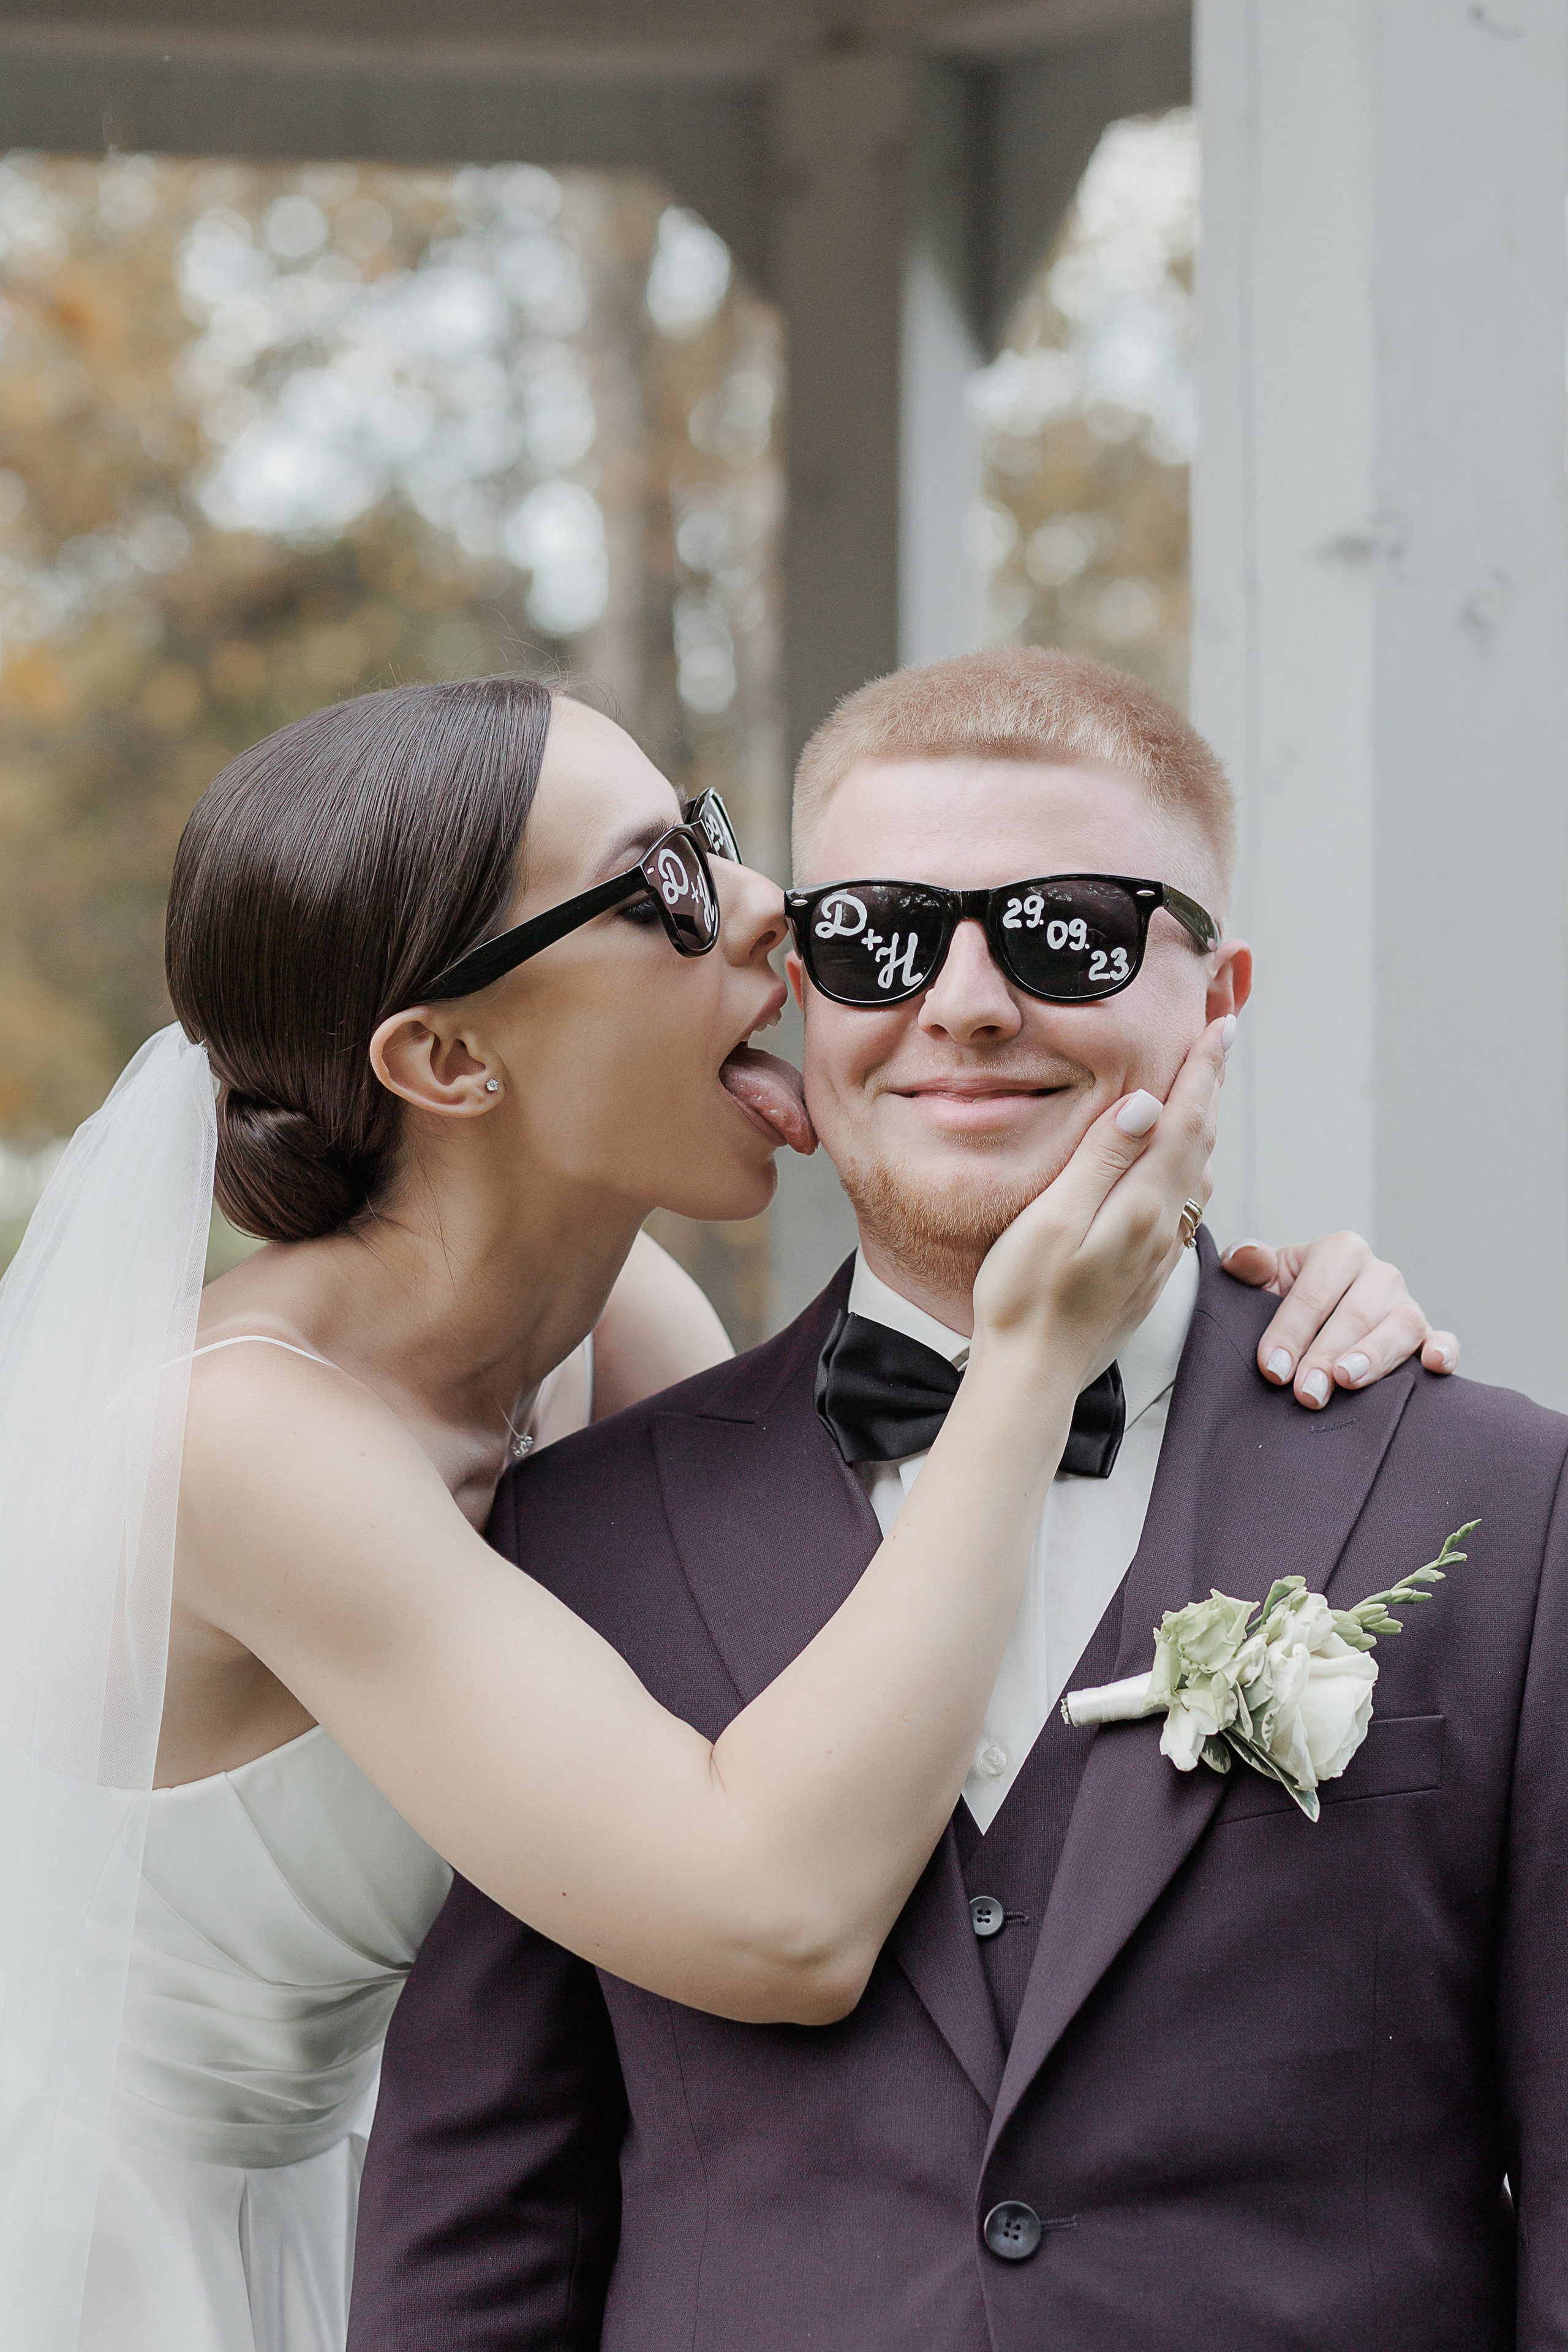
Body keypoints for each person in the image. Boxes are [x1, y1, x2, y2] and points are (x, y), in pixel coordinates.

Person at [0, 673, 1444, 2352]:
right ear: (450, 1057)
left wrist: (1246, 1335)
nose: (772, 909)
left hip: (361, 2193)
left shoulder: (612, 1328)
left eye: (716, 836)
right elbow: (778, 1917)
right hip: (122, 2248)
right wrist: (1036, 1362)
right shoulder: (243, 1439)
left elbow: (866, 1644)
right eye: (666, 887)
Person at [350, 647, 1562, 2352]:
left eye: (1068, 930)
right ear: (801, 990)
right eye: (883, 937)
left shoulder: (1504, 1502)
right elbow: (480, 2232)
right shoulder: (577, 1530)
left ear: (1218, 999)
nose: (970, 1002)